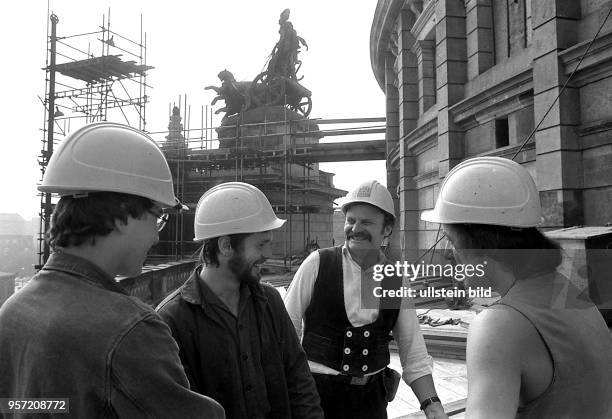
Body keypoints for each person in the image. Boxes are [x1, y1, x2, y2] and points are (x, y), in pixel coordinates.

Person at [0, 122, 224, 418]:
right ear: (121, 216)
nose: (157, 237)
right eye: (157, 217)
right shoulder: (129, 330)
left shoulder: (12, 312)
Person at [422, 156, 612, 418]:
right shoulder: (568, 292)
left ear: (483, 246)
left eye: (451, 240)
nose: (447, 253)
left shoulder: (498, 326)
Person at [156, 182, 323, 419]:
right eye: (261, 244)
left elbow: (299, 380)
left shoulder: (271, 302)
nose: (268, 254)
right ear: (226, 246)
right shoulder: (172, 321)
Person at [284, 180, 447, 419]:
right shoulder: (318, 264)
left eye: (367, 222)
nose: (355, 228)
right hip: (316, 400)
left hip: (371, 402)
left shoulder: (395, 280)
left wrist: (432, 405)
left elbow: (413, 352)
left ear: (387, 228)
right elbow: (286, 331)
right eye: (351, 221)